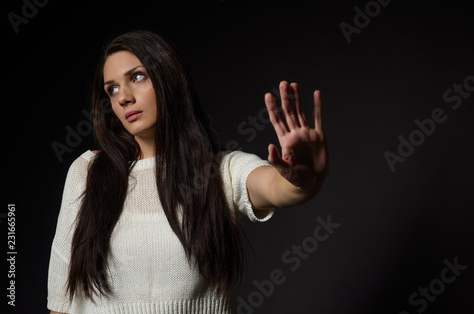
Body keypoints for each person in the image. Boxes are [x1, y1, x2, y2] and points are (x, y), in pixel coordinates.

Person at [47, 30, 328, 314]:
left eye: (137, 77)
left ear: (168, 78)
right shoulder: (87, 172)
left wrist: (303, 178)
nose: (123, 98)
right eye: (113, 89)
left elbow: (277, 188)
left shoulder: (221, 172)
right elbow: (60, 302)